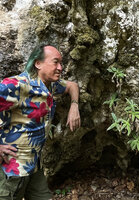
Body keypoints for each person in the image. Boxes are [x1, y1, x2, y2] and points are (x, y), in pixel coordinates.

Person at [0, 44, 81, 199]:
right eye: (55, 62)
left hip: (35, 167)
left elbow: (73, 86)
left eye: (61, 63)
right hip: (12, 170)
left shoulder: (50, 86)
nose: (60, 67)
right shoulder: (16, 85)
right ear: (38, 63)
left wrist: (74, 106)